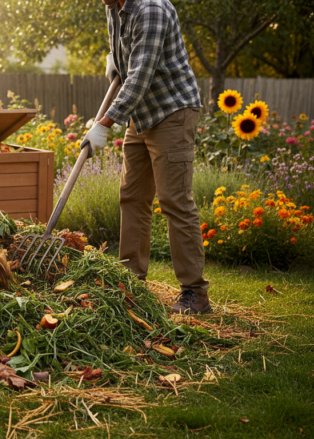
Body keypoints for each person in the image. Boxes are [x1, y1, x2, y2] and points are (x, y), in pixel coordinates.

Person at [81, 0, 210, 314]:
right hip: (141, 114)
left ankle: (195, 293)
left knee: (174, 200)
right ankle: (130, 281)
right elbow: (127, 58)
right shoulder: (113, 6)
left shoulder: (151, 9)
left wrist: (103, 124)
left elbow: (140, 76)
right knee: (132, 196)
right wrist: (115, 58)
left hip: (171, 111)